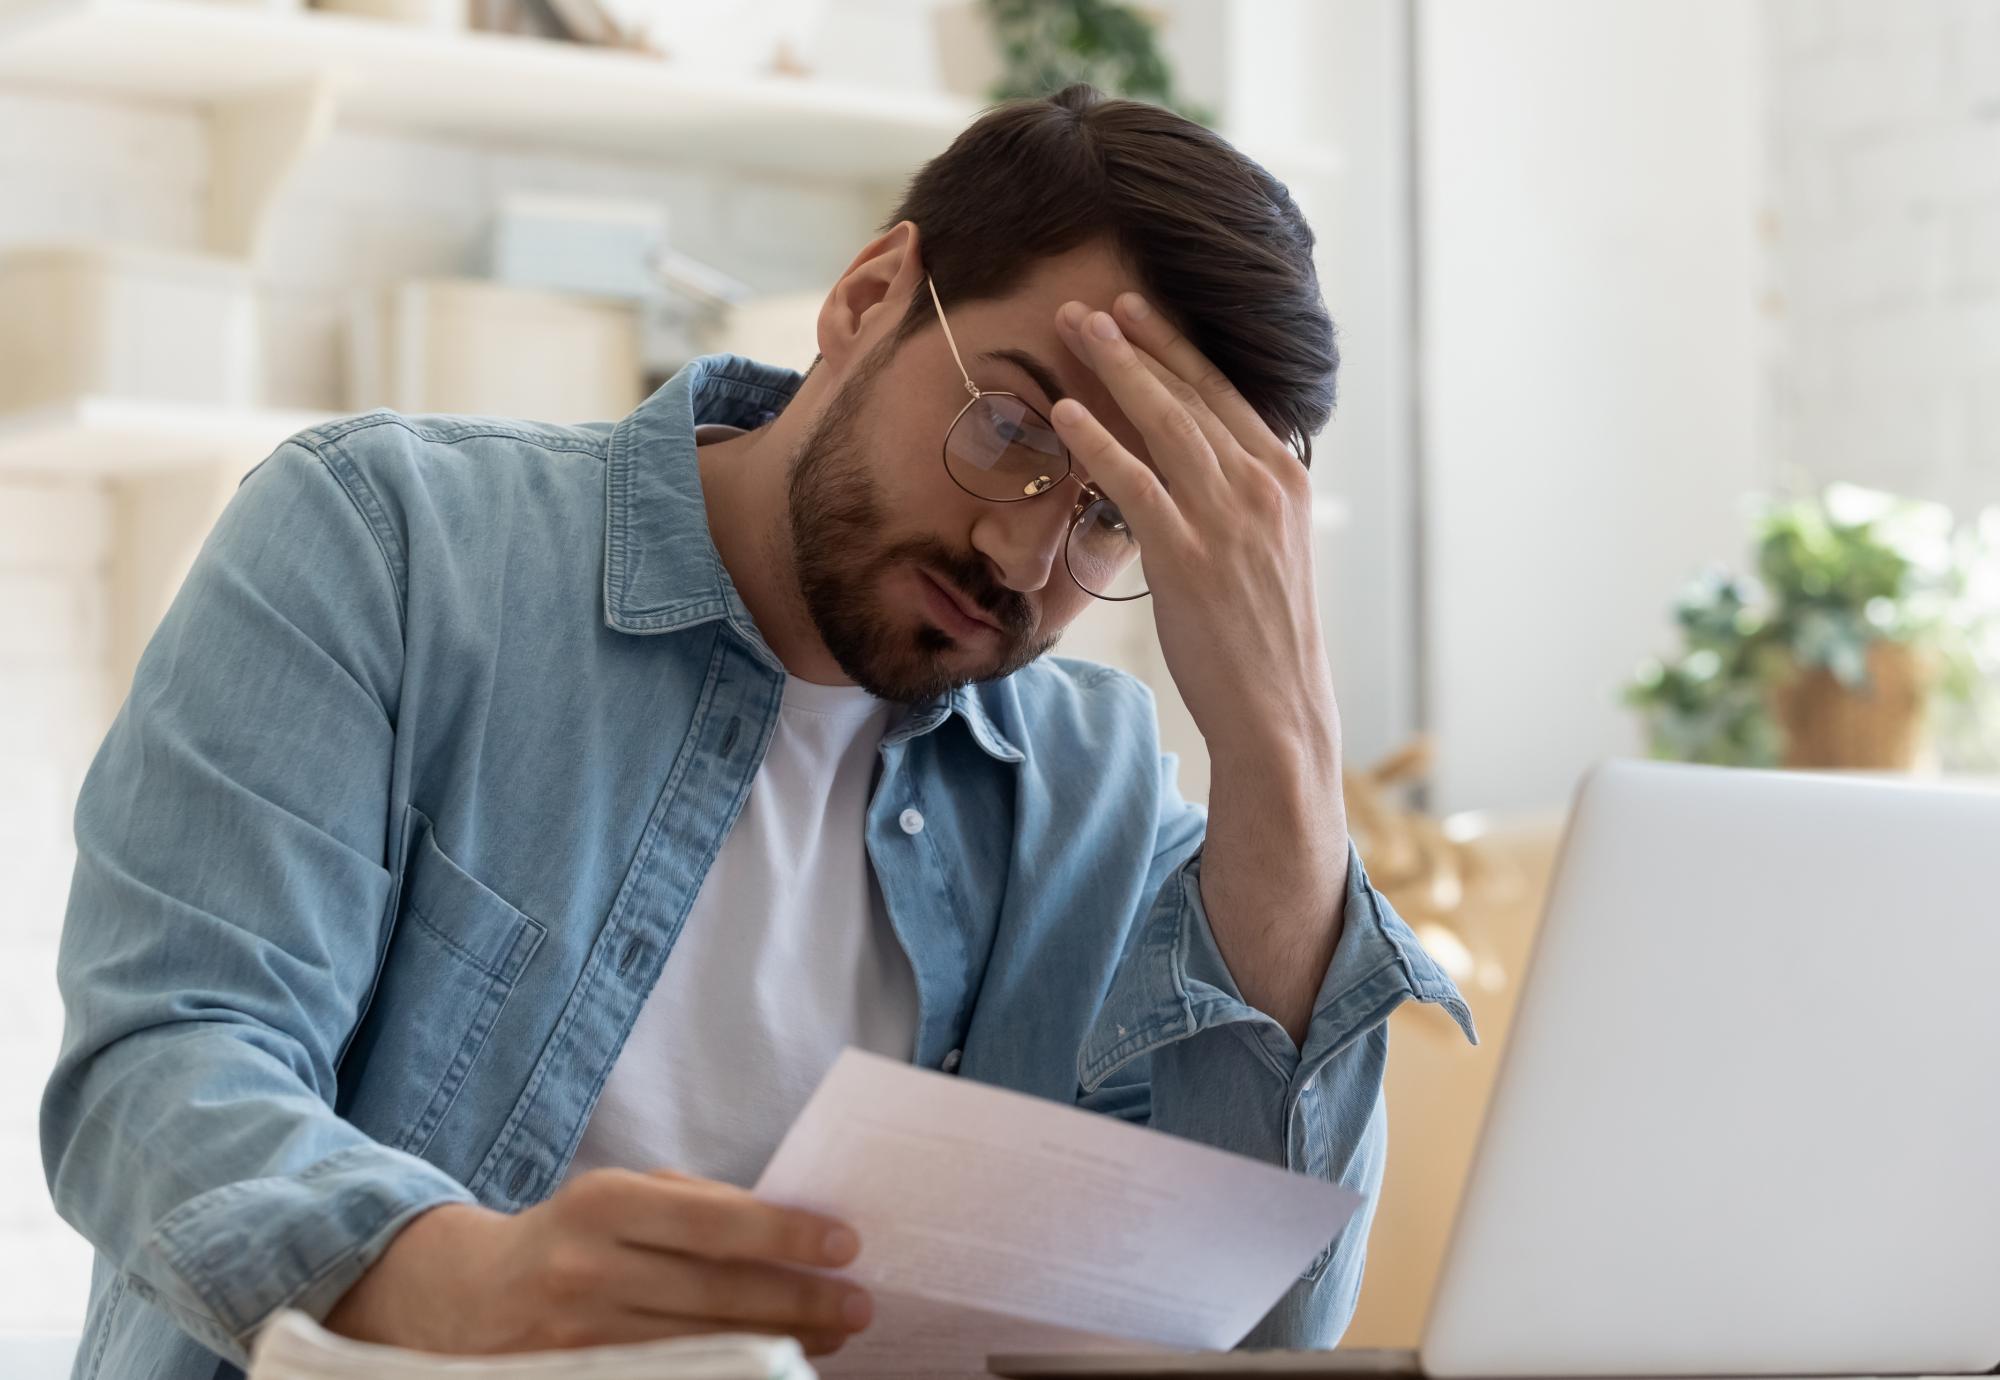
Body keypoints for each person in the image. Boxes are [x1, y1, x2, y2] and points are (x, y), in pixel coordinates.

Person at [41, 83, 1473, 1379]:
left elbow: (1266, 1329)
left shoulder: (1090, 782)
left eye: (1113, 513)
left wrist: (1281, 753)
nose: (1022, 553)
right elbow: (161, 1068)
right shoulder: (393, 549)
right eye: (1020, 429)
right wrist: (461, 1279)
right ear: (869, 297)